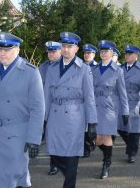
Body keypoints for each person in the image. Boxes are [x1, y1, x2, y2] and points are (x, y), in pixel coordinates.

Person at [0, 32, 45, 188]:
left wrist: (34, 139)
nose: (2, 53)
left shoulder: (30, 72)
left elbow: (38, 108)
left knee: (15, 180)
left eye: (7, 49)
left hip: (17, 136)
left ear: (17, 49)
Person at [44, 32, 97, 188]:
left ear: (76, 49)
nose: (66, 49)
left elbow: (90, 97)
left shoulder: (83, 69)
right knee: (53, 153)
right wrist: (43, 119)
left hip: (74, 116)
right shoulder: (52, 68)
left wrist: (92, 123)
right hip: (54, 114)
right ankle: (70, 173)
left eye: (70, 46)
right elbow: (46, 95)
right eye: (64, 46)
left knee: (72, 155)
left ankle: (69, 184)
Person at [92, 40, 129, 178]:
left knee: (106, 136)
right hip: (95, 106)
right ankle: (107, 154)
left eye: (106, 51)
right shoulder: (94, 69)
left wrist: (125, 111)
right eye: (101, 51)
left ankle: (106, 164)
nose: (103, 53)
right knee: (96, 138)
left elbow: (122, 92)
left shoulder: (117, 70)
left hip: (109, 107)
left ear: (112, 53)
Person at [117, 45, 140, 163]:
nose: (127, 55)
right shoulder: (120, 69)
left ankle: (132, 153)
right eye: (126, 53)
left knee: (134, 131)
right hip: (121, 103)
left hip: (135, 102)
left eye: (129, 54)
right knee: (121, 129)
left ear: (136, 56)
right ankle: (130, 145)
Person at [39, 41, 62, 176]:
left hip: (59, 107)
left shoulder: (65, 67)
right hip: (44, 106)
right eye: (49, 51)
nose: (51, 54)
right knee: (50, 136)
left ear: (60, 52)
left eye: (53, 51)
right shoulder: (43, 67)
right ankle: (54, 163)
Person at [82, 43, 98, 158]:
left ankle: (93, 140)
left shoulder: (98, 67)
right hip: (82, 101)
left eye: (89, 53)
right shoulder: (79, 66)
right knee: (82, 125)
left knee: (91, 124)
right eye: (85, 53)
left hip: (95, 100)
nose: (86, 55)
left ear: (94, 54)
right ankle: (85, 147)